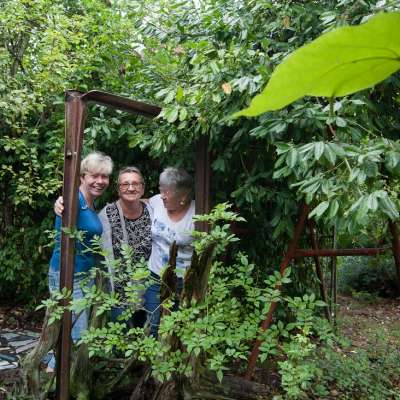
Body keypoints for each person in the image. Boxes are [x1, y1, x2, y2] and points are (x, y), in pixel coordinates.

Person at [47, 151, 113, 372]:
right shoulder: (73, 199)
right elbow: (63, 204)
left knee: (73, 332)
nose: (100, 181)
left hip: (84, 275)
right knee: (76, 333)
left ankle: (65, 379)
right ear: (83, 176)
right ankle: (57, 380)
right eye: (95, 175)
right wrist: (60, 201)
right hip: (67, 275)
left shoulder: (89, 202)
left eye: (104, 176)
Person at [98, 166, 152, 327]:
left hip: (149, 291)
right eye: (125, 184)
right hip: (119, 295)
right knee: (121, 343)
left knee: (147, 339)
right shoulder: (106, 215)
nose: (131, 188)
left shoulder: (153, 210)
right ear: (118, 189)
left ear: (142, 188)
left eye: (136, 184)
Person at [144, 167, 195, 337]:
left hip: (181, 280)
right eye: (161, 189)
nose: (162, 195)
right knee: (153, 323)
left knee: (176, 327)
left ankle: (170, 361)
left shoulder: (197, 214)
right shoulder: (157, 201)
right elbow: (136, 203)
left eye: (167, 192)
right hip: (155, 274)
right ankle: (148, 362)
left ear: (183, 196)